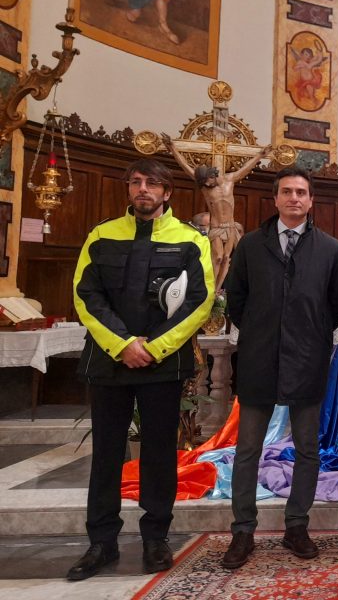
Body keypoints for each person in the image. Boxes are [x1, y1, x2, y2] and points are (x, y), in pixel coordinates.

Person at [67, 158, 214, 581]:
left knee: (159, 453)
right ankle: (101, 542)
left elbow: (200, 301)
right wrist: (122, 344)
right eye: (135, 182)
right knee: (106, 454)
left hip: (161, 364)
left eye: (152, 183)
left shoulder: (190, 240)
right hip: (110, 361)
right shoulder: (102, 235)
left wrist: (155, 347)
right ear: (128, 189)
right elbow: (85, 295)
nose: (143, 189)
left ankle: (155, 539)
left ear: (167, 191)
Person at [220, 167, 338, 569]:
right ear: (275, 199)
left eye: (301, 192)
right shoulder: (251, 244)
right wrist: (261, 330)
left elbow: (337, 302)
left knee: (308, 448)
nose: (295, 198)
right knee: (248, 449)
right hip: (259, 358)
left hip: (308, 358)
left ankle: (297, 525)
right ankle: (243, 530)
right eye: (287, 192)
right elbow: (236, 297)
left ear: (311, 201)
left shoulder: (329, 248)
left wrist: (313, 332)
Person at [161, 134, 271, 292]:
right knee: (217, 257)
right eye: (204, 183)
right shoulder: (205, 188)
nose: (206, 185)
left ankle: (216, 290)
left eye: (208, 181)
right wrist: (172, 149)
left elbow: (246, 168)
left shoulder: (230, 180)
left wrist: (260, 155)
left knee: (226, 258)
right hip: (216, 227)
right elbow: (186, 168)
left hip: (230, 226)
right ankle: (209, 288)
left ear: (213, 175)